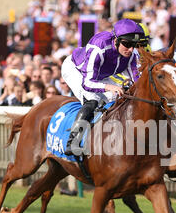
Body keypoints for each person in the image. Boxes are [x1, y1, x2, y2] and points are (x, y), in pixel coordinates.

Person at [61, 18, 144, 156]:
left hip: (100, 74)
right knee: (93, 100)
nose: (130, 49)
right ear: (116, 40)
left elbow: (138, 83)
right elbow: (87, 83)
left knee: (121, 96)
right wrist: (108, 87)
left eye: (134, 45)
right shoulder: (99, 46)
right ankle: (73, 142)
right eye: (127, 44)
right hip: (76, 70)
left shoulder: (132, 54)